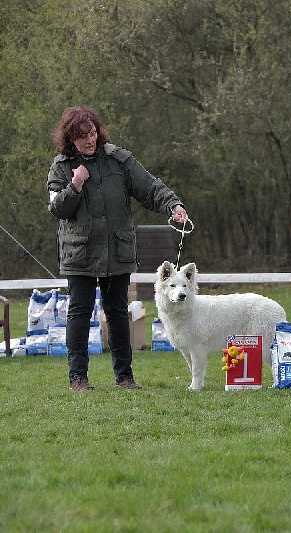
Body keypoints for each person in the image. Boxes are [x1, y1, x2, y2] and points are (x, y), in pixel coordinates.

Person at [48, 106, 188, 390]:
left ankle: (124, 377)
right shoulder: (61, 167)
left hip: (117, 251)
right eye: (82, 136)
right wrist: (75, 184)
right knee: (79, 313)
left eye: (93, 133)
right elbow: (58, 209)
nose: (90, 140)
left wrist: (172, 203)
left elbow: (149, 187)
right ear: (70, 139)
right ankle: (78, 378)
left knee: (117, 313)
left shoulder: (119, 160)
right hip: (80, 254)